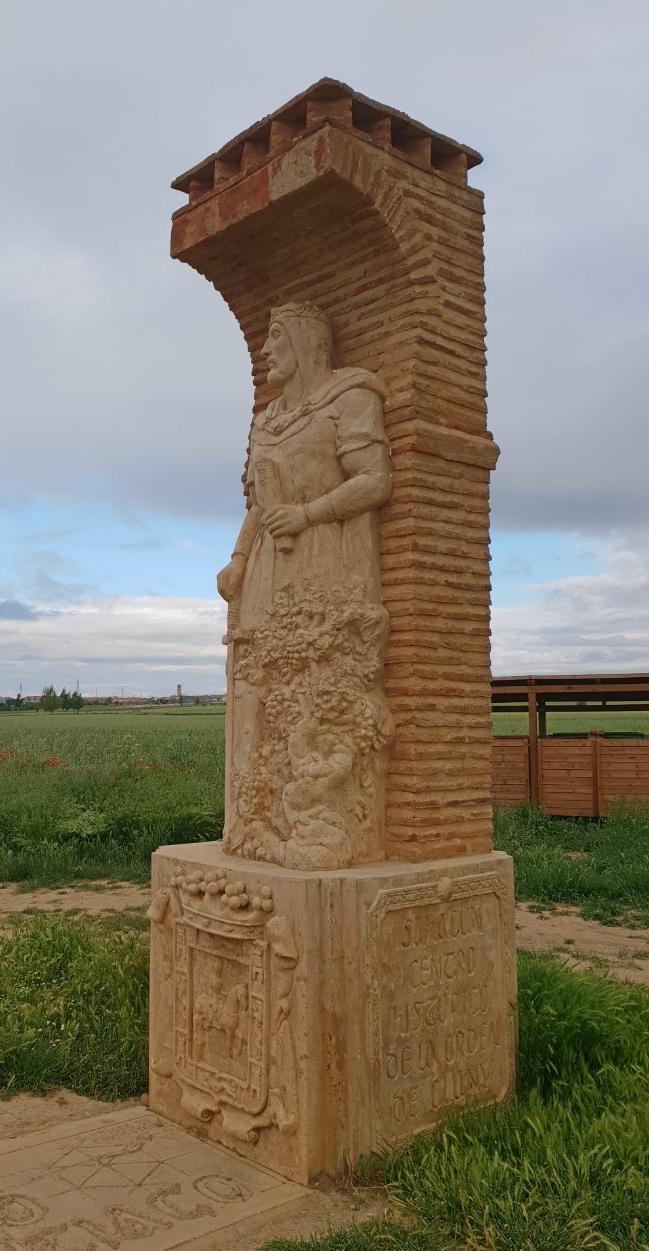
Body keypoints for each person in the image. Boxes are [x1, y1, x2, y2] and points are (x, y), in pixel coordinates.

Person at [216, 301, 393, 869]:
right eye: (265, 339)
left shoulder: (349, 398)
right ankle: (256, 814)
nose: (267, 351)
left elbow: (374, 480)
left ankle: (322, 816)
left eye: (275, 338)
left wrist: (310, 513)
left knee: (317, 684)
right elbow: (256, 505)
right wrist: (239, 562)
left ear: (305, 341)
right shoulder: (265, 423)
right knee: (260, 683)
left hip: (326, 558)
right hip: (270, 568)